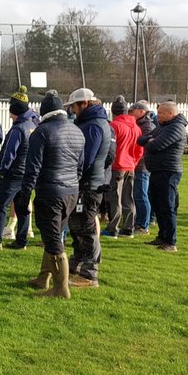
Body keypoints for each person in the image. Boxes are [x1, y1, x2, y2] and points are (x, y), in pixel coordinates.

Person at [20, 90, 85, 298]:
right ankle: (44, 277)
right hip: (71, 191)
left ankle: (61, 288)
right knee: (54, 234)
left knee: (53, 238)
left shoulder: (41, 132)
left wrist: (25, 194)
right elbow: (80, 166)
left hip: (50, 191)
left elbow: (33, 168)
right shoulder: (77, 131)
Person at [0, 86, 38, 250]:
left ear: (15, 110)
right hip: (27, 174)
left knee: (0, 206)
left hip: (13, 174)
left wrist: (2, 169)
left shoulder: (18, 129)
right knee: (23, 207)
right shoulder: (32, 126)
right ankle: (21, 241)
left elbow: (9, 153)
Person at [64, 88, 113, 289]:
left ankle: (89, 274)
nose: (72, 111)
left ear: (84, 104)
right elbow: (109, 155)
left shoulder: (93, 126)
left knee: (85, 228)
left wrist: (73, 174)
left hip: (88, 185)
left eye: (74, 106)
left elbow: (86, 158)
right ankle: (77, 266)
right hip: (90, 181)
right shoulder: (98, 122)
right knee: (78, 227)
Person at [138, 101, 188, 253]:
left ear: (170, 114)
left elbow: (155, 146)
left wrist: (150, 141)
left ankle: (171, 242)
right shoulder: (163, 126)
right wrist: (150, 140)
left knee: (167, 206)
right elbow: (141, 139)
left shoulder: (176, 127)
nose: (157, 115)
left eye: (160, 113)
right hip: (157, 170)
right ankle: (162, 236)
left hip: (168, 171)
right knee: (157, 204)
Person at [103, 97, 142, 238]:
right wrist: (134, 162)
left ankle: (113, 228)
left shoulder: (114, 126)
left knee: (115, 198)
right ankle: (129, 228)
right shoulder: (136, 127)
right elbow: (139, 149)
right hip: (130, 165)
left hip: (117, 165)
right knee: (128, 197)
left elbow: (110, 147)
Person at [129, 100, 156, 235]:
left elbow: (143, 146)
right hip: (138, 164)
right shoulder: (142, 124)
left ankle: (143, 225)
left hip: (142, 165)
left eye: (132, 111)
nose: (130, 113)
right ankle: (140, 221)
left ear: (141, 111)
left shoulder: (147, 126)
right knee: (138, 195)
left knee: (141, 195)